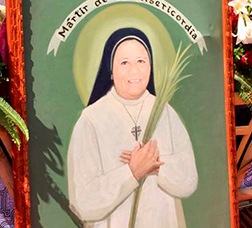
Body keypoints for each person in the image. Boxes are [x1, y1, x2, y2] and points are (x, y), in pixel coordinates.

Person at [67, 28, 198, 227]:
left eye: (141, 61)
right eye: (124, 63)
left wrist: (157, 165)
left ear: (150, 67)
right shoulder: (91, 120)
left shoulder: (165, 112)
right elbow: (82, 202)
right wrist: (131, 172)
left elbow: (189, 179)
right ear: (111, 71)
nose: (134, 71)